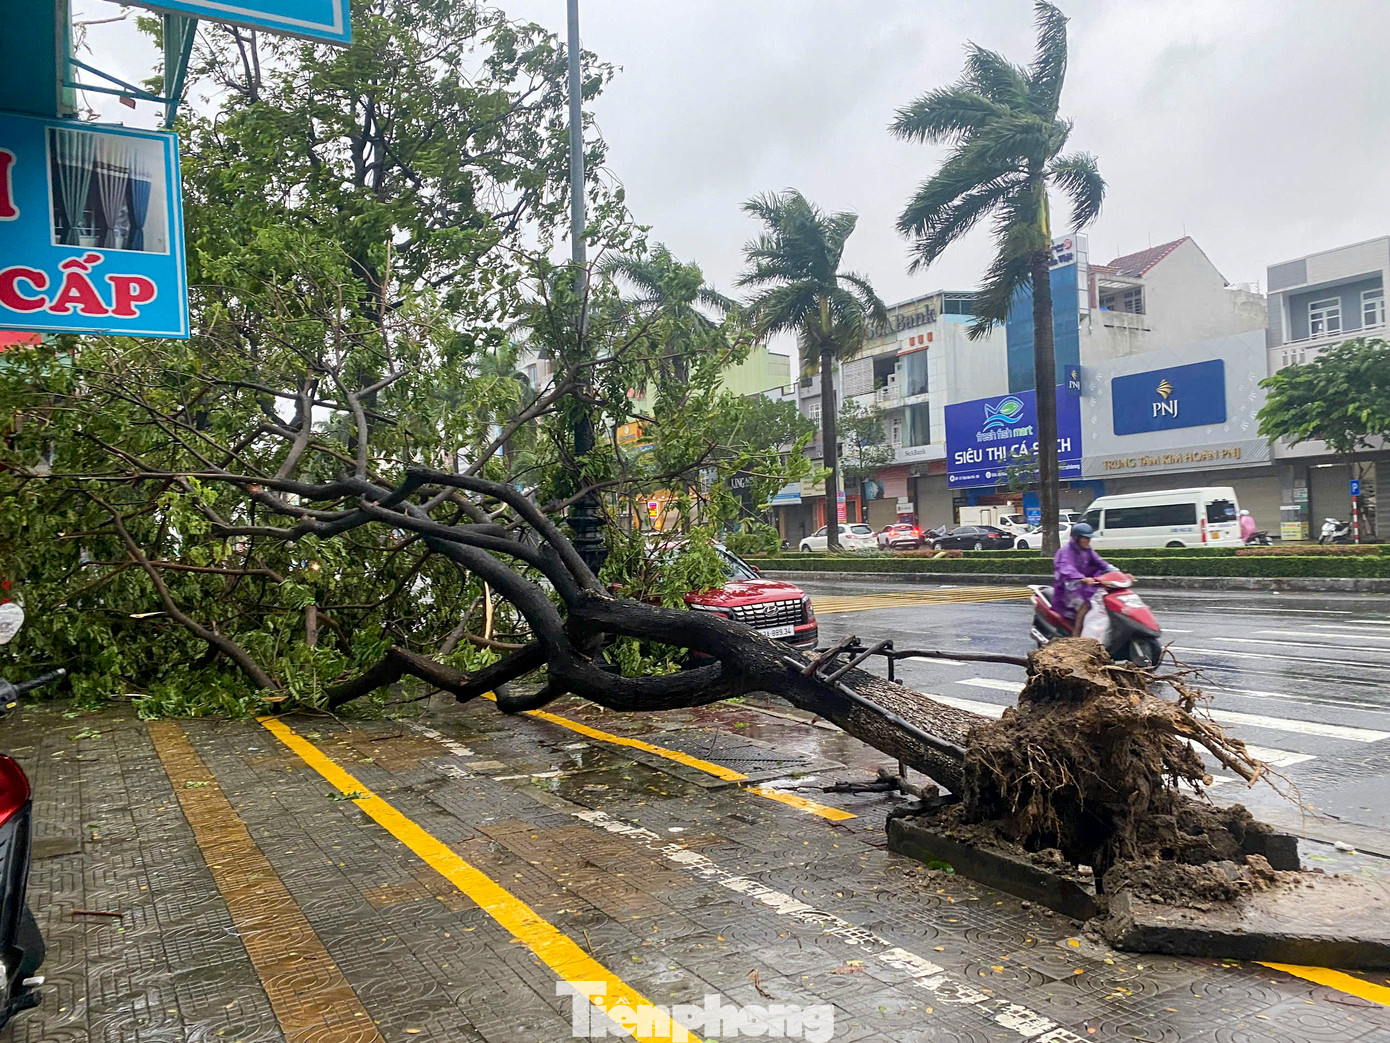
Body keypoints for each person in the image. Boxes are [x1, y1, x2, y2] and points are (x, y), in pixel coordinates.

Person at [1052, 523, 1115, 637]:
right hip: (1069, 587)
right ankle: (1076, 635)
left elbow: (1100, 562)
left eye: (1089, 538)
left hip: (1086, 586)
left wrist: (1116, 571)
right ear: (1076, 538)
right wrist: (1082, 578)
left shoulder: (1087, 550)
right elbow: (1067, 568)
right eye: (1085, 538)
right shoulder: (1065, 552)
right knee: (1086, 605)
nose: (1088, 541)